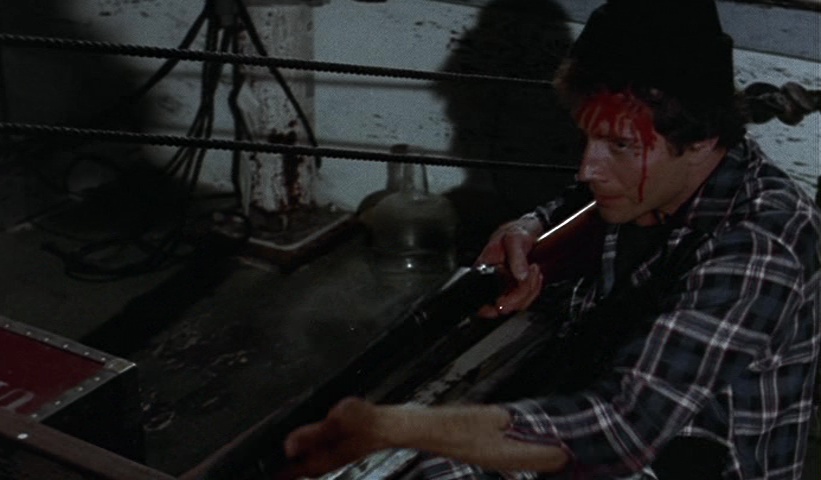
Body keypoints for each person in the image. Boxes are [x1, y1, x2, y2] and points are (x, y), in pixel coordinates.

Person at [279, 0, 821, 478]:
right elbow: (579, 201)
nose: (587, 168)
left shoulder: (762, 243)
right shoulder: (650, 183)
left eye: (618, 145)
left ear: (702, 140)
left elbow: (621, 429)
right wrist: (530, 227)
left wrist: (393, 427)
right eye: (586, 137)